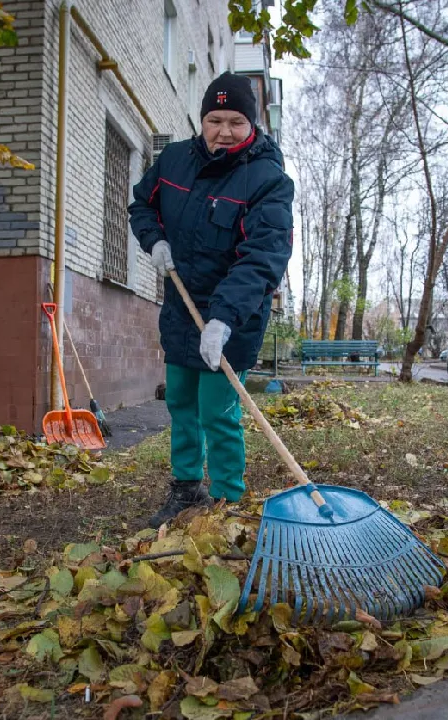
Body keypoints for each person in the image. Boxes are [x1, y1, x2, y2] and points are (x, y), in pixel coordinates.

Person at [128, 72, 294, 528]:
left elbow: (263, 256)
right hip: (182, 307)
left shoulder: (268, 180)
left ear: (252, 124)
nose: (224, 131)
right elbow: (142, 205)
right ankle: (185, 490)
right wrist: (154, 240)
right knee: (181, 402)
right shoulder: (175, 160)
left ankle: (225, 503)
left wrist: (223, 320)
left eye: (236, 121)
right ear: (202, 120)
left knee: (217, 410)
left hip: (233, 316)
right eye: (214, 119)